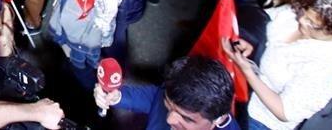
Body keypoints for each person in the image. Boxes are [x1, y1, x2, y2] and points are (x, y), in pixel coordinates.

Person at [225, 0, 332, 130]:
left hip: (259, 121)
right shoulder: (305, 12)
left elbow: (284, 112)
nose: (301, 20)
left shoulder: (327, 68)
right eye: (304, 13)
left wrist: (249, 73)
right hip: (239, 94)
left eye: (312, 23)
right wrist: (251, 42)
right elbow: (266, 19)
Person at [93, 55, 241, 130]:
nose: (170, 119)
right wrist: (117, 96)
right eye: (168, 105)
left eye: (187, 119)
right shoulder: (174, 96)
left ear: (219, 120)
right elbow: (155, 98)